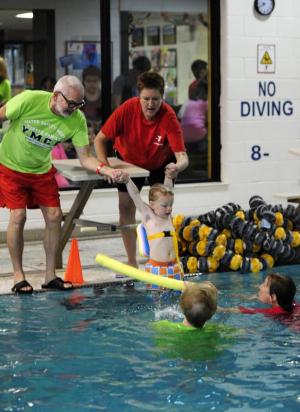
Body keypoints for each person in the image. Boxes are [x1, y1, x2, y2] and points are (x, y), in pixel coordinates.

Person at [0, 75, 123, 294]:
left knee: (55, 216)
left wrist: (105, 169)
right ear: (56, 96)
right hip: (10, 167)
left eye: (79, 104)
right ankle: (19, 276)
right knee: (18, 216)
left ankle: (50, 275)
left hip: (41, 170)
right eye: (71, 103)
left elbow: (85, 157)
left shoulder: (77, 120)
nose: (75, 109)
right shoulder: (29, 100)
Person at [95, 71, 189, 268]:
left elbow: (183, 158)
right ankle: (131, 262)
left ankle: (163, 258)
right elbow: (100, 139)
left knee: (163, 209)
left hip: (160, 162)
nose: (150, 104)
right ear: (138, 96)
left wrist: (176, 167)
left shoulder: (169, 117)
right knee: (126, 207)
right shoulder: (127, 109)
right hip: (128, 161)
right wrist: (105, 168)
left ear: (162, 97)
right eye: (145, 99)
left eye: (156, 99)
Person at [119, 173, 182, 287]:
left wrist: (168, 176)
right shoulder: (149, 216)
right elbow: (136, 196)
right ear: (152, 204)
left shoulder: (167, 217)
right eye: (164, 205)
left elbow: (169, 189)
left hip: (174, 266)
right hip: (157, 268)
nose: (169, 208)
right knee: (157, 303)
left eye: (171, 205)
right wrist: (128, 180)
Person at [81, 65, 102, 134]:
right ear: (84, 81)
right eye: (88, 81)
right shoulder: (79, 98)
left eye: (95, 81)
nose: (92, 84)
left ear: (99, 81)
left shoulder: (105, 97)